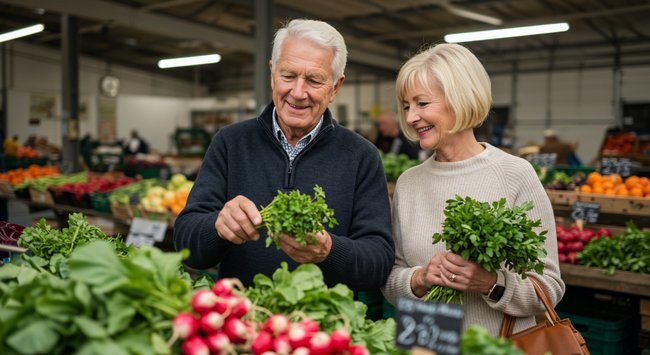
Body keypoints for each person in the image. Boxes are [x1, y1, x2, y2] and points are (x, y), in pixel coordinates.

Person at [173, 19, 394, 291]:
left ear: (335, 87)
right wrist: (217, 227)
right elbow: (186, 243)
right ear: (272, 73)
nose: (298, 92)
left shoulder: (362, 156)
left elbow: (379, 263)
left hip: (323, 327)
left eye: (314, 80)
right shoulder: (230, 143)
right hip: (241, 318)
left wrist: (329, 251)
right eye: (288, 76)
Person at [380, 43, 564, 336]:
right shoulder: (409, 182)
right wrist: (420, 278)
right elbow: (390, 280)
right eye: (406, 106)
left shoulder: (514, 174)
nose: (411, 117)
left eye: (422, 104)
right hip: (425, 344)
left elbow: (549, 288)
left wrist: (492, 283)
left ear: (459, 98)